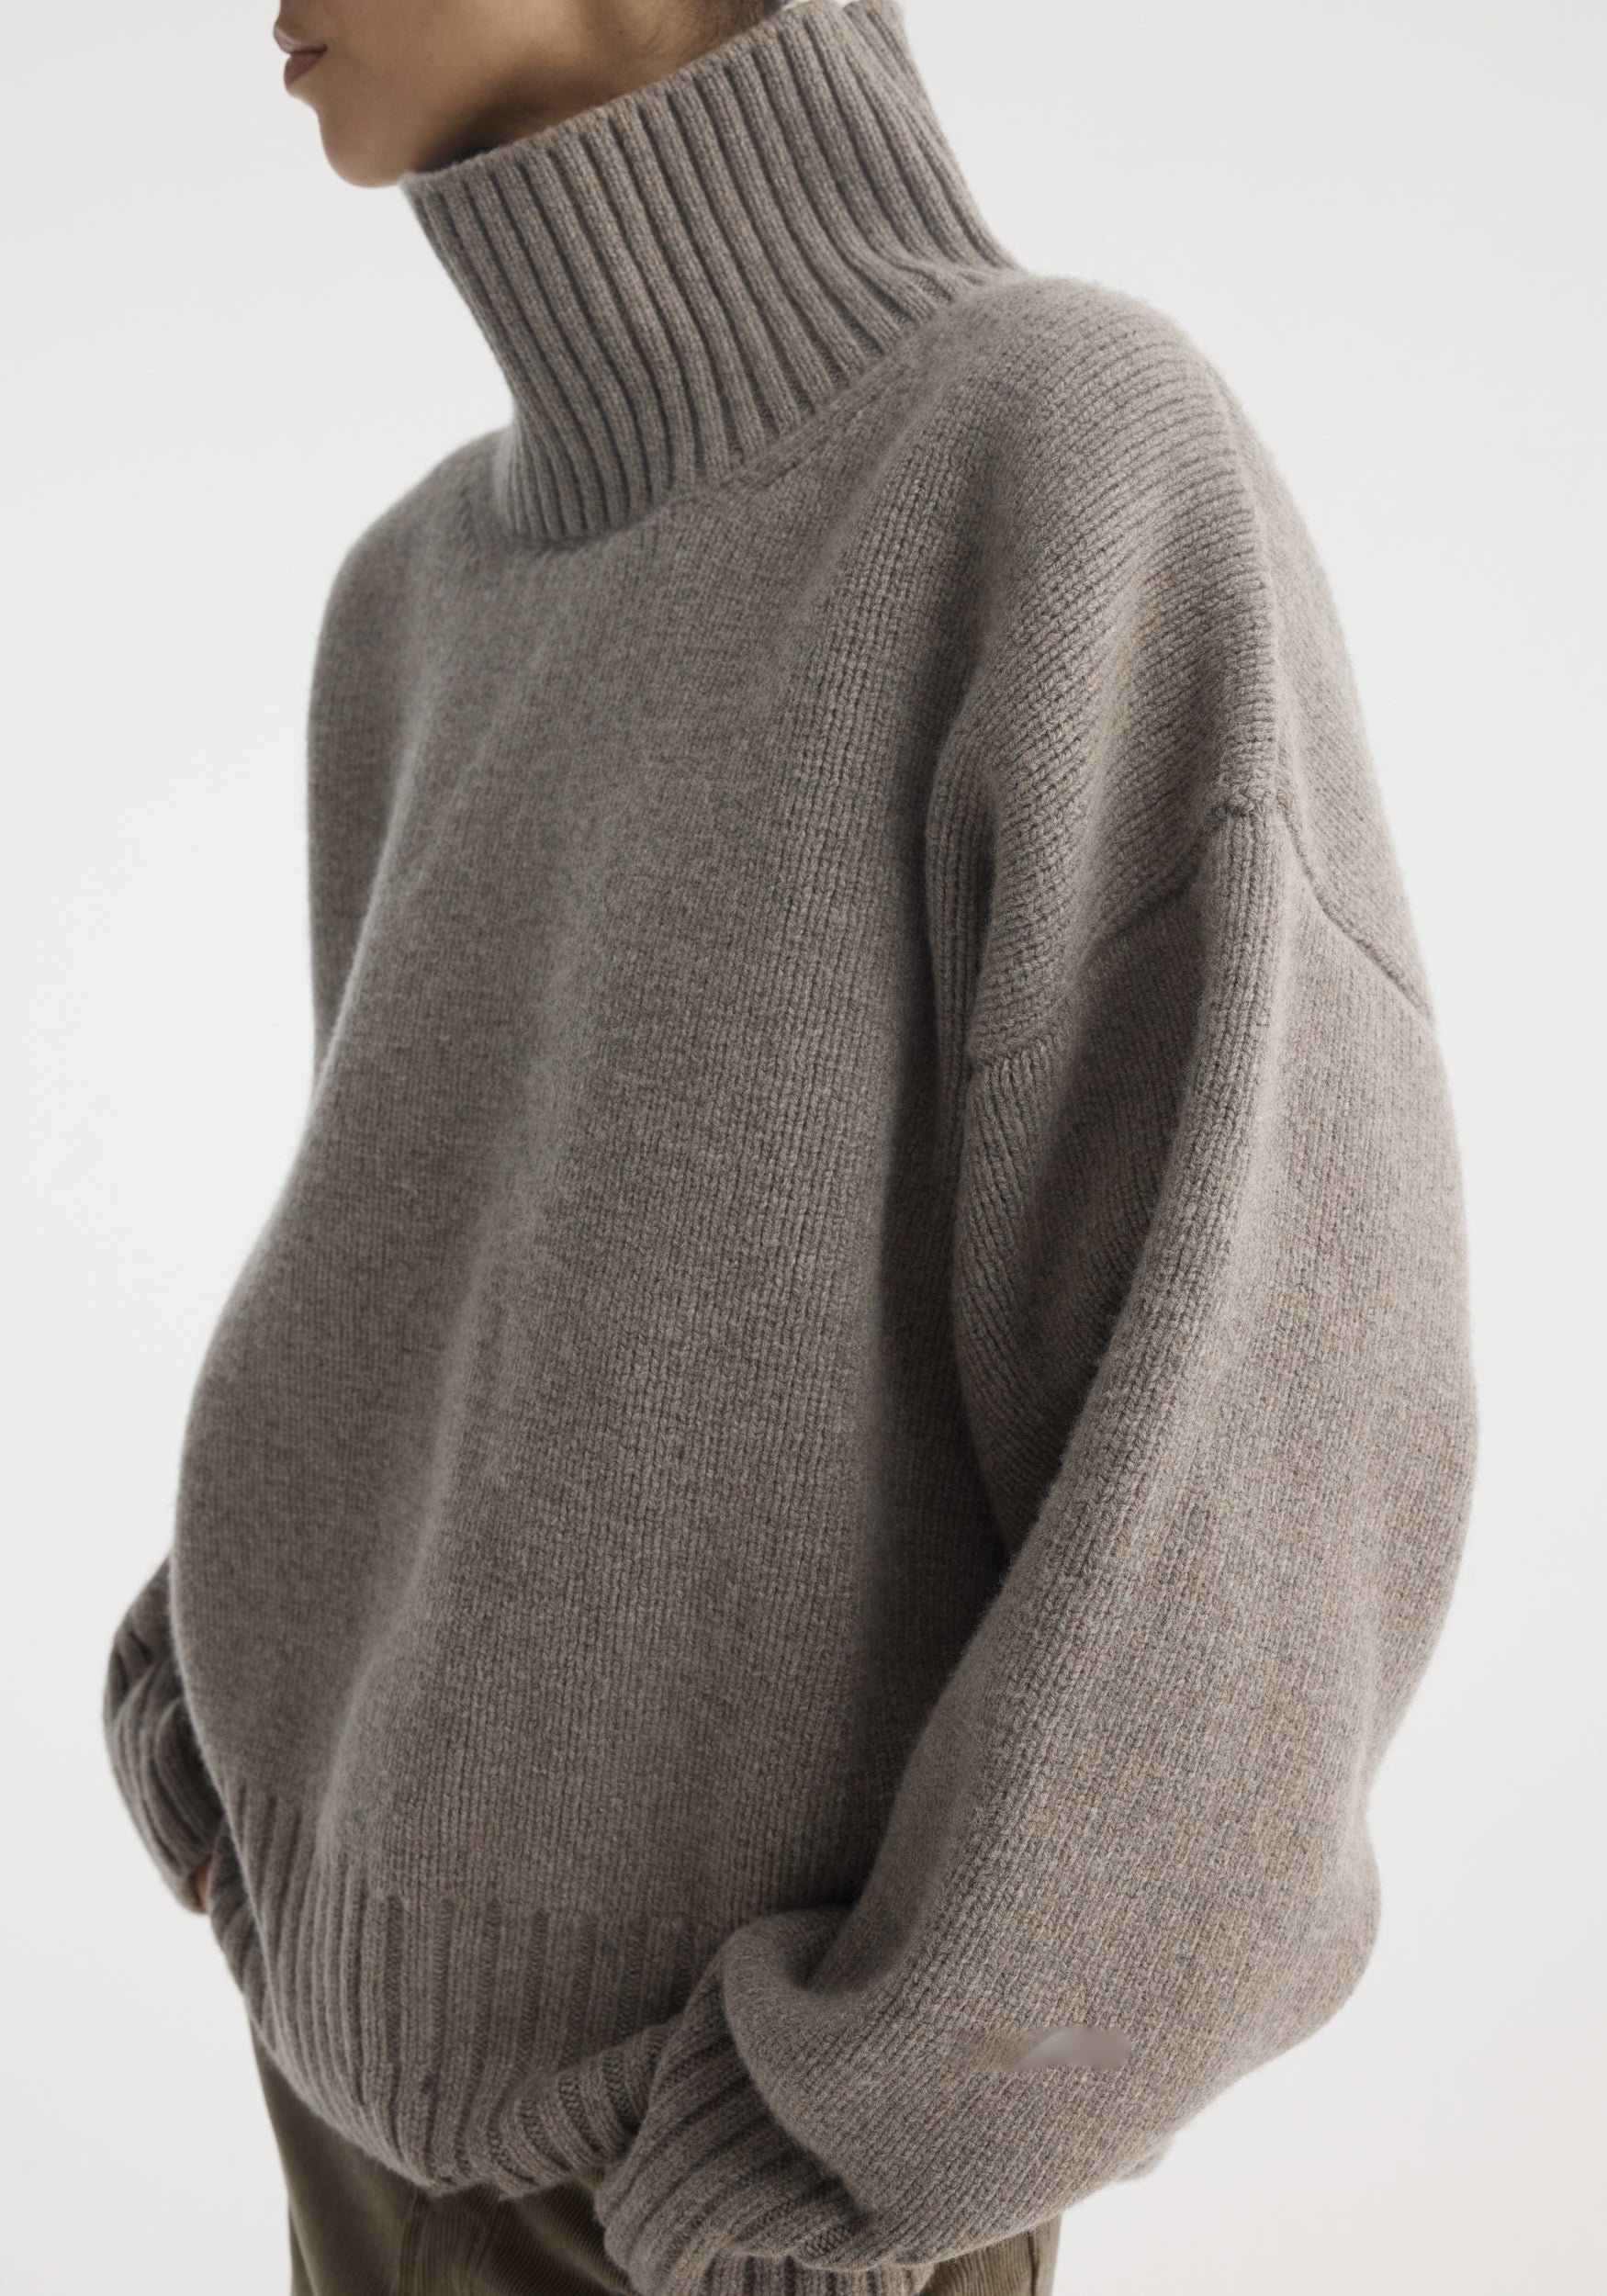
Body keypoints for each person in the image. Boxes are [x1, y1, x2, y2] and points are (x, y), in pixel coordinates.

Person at [101, 0, 1478, 2291]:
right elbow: (439, 1301)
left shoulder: (1057, 456)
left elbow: (1266, 1446)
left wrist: (874, 2121)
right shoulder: (410, 598)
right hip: (343, 2101)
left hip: (750, 2203)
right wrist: (213, 1724)